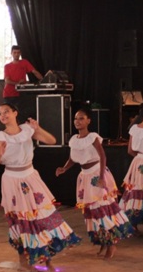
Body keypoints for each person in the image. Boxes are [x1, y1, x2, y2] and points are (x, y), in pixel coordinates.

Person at [0, 102, 80, 272]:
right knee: (22, 221)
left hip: (30, 177)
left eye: (6, 111)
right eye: (0, 113)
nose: (3, 115)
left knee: (41, 215)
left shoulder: (27, 129)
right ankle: (25, 260)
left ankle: (47, 261)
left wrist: (38, 128)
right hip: (12, 180)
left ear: (15, 112)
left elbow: (51, 140)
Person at [56, 108, 135, 259]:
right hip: (84, 176)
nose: (77, 121)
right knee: (91, 212)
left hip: (96, 174)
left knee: (102, 209)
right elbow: (73, 157)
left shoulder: (93, 137)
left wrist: (101, 177)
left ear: (88, 120)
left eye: (81, 118)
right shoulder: (74, 139)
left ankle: (112, 243)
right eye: (75, 119)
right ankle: (103, 242)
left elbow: (102, 157)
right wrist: (64, 168)